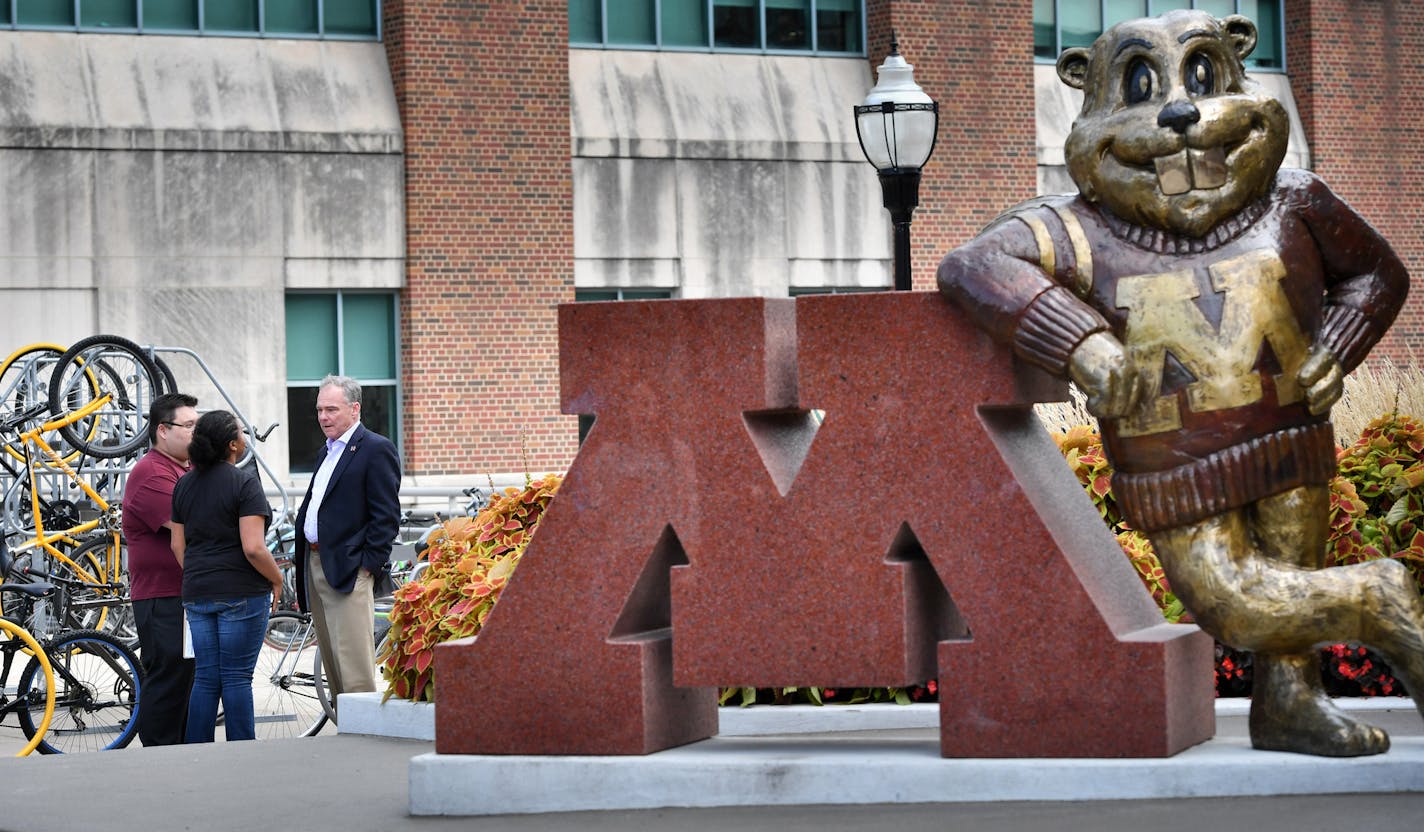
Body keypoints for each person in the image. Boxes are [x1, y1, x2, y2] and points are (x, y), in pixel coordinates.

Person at [170, 410, 284, 742]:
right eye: (240, 430)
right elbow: (254, 548)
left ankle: (197, 751)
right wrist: (276, 579)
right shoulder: (245, 484)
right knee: (236, 678)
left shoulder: (184, 484)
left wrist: (199, 574)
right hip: (241, 592)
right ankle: (242, 753)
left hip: (197, 591)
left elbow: (178, 545)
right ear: (233, 445)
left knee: (206, 677)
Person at [295, 374, 401, 713]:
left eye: (332, 409)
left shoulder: (375, 449)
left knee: (354, 667)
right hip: (316, 564)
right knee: (333, 665)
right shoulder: (326, 451)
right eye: (319, 410)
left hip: (349, 569)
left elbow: (386, 517)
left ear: (354, 409)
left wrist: (366, 566)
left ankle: (364, 745)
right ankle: (346, 739)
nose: (324, 417)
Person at [121, 392, 199, 746]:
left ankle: (180, 757)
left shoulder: (184, 469)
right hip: (162, 597)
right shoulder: (150, 473)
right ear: (163, 431)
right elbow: (195, 523)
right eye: (190, 425)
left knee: (186, 679)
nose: (197, 432)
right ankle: (158, 758)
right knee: (168, 679)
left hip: (184, 593)